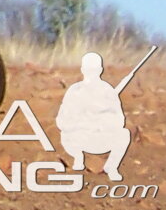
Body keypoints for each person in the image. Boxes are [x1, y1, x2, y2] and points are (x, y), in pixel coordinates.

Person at [56, 51, 133, 181]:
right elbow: (61, 121)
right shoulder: (75, 91)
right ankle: (78, 157)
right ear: (83, 70)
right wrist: (81, 122)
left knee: (124, 134)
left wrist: (103, 120)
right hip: (78, 138)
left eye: (94, 69)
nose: (91, 72)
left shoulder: (108, 91)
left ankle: (111, 167)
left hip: (100, 138)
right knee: (65, 135)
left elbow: (120, 121)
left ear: (100, 70)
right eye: (89, 69)